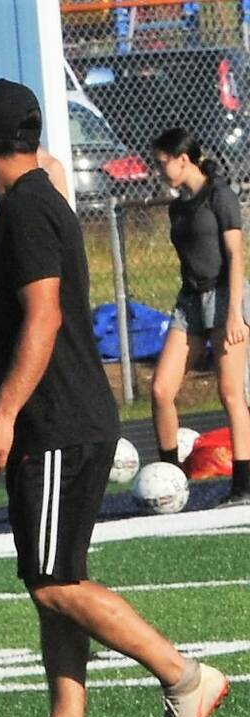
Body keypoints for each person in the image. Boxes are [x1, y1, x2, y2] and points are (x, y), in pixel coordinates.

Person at [0, 80, 229, 717]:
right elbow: (29, 323)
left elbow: (48, 323)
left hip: (58, 421)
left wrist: (1, 416)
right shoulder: (29, 205)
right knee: (50, 578)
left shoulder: (25, 211)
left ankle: (185, 678)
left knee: (56, 583)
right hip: (61, 416)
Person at [149, 127, 250, 505]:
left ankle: (243, 484)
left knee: (230, 393)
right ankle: (169, 480)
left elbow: (236, 255)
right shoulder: (178, 205)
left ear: (183, 160)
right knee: (161, 389)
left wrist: (235, 314)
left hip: (225, 297)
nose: (158, 171)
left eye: (162, 163)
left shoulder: (220, 196)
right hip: (189, 301)